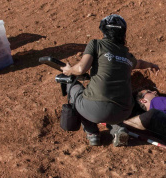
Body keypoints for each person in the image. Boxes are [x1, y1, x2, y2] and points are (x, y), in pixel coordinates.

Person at [58, 14, 159, 146]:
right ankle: (118, 128)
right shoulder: (127, 55)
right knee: (110, 105)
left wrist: (69, 70)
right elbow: (139, 63)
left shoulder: (96, 44)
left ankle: (92, 133)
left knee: (72, 85)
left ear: (104, 31)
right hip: (124, 111)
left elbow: (81, 68)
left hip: (95, 109)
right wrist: (152, 65)